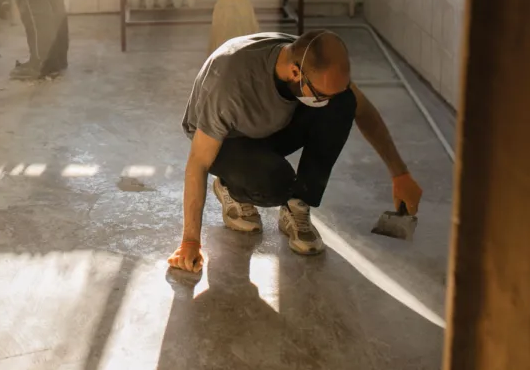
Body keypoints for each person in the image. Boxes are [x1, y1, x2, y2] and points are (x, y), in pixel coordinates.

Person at [168, 30, 424, 272]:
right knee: (275, 183)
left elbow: (364, 111)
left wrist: (400, 174)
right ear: (294, 72)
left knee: (343, 104)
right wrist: (190, 242)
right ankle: (230, 187)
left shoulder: (310, 61)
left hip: (269, 125)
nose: (326, 101)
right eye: (322, 94)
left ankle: (297, 205)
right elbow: (199, 161)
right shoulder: (229, 84)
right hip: (226, 142)